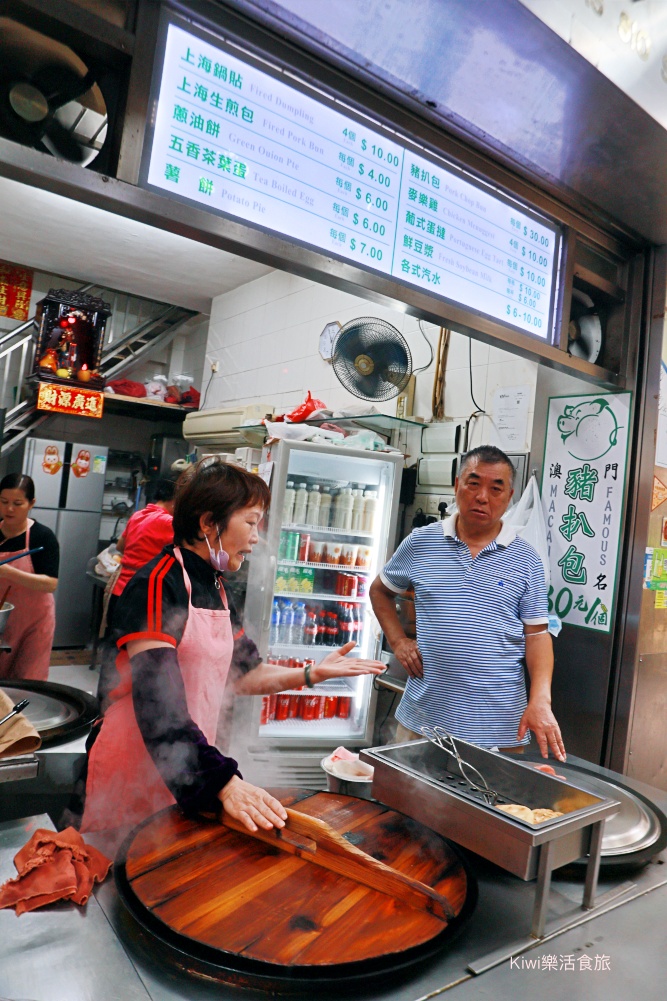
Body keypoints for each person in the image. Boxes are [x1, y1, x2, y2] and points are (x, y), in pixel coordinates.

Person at [81, 458, 384, 848]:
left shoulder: (217, 587)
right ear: (209, 523)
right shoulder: (157, 584)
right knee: (125, 875)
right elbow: (159, 702)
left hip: (188, 757)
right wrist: (221, 781)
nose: (257, 537)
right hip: (137, 759)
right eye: (252, 521)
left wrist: (311, 674)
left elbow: (244, 674)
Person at [370, 445, 565, 761]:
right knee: (408, 806)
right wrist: (399, 641)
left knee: (490, 807)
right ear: (456, 485)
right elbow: (380, 591)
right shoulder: (421, 542)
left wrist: (541, 698)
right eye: (473, 483)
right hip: (423, 718)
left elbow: (537, 635)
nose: (482, 496)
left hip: (500, 728)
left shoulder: (527, 558)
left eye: (495, 488)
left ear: (509, 496)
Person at [0, 473, 59, 682]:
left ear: (31, 503)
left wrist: (9, 572)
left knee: (28, 682)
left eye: (17, 503)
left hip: (34, 622)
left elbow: (51, 584)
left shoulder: (42, 536)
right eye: (4, 502)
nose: (9, 509)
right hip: (2, 620)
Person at [105, 478, 176, 629]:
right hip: (142, 594)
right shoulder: (168, 522)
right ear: (175, 501)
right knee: (136, 648)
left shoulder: (138, 515)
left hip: (119, 591)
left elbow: (120, 546)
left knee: (114, 645)